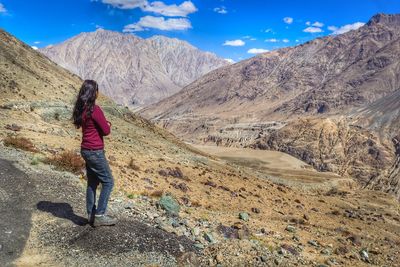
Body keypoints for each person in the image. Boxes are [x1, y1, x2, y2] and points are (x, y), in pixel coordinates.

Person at [72, 80, 117, 227]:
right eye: (97, 90)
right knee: (108, 182)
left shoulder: (82, 108)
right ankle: (99, 215)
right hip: (95, 151)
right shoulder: (95, 110)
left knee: (92, 182)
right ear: (94, 93)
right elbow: (106, 131)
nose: (99, 93)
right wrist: (108, 124)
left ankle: (90, 214)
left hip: (85, 149)